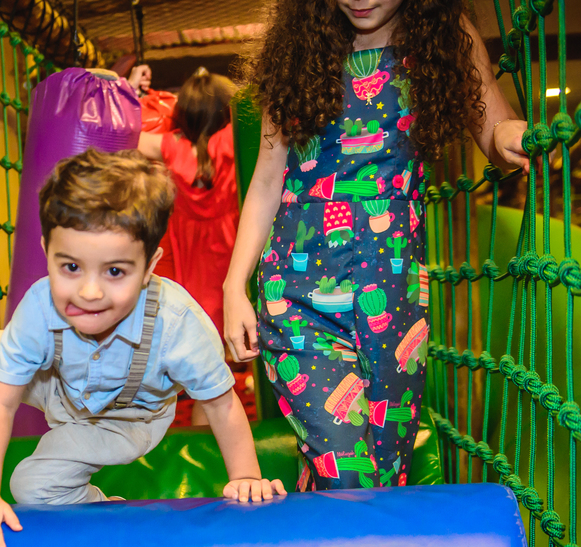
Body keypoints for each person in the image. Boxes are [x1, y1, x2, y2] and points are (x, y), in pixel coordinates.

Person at [0, 149, 286, 547]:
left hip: (127, 419)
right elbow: (0, 399)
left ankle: (102, 508)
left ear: (150, 266)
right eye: (70, 267)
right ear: (47, 250)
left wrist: (246, 477)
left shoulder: (176, 323)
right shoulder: (40, 305)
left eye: (115, 271)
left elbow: (220, 404)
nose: (89, 292)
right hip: (59, 386)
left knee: (30, 486)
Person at [222, 0, 529, 490]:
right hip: (297, 291)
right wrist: (234, 285)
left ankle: (318, 533)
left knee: (385, 473)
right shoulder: (298, 48)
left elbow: (493, 127)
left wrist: (508, 133)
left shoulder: (444, 35)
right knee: (347, 470)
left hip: (395, 293)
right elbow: (266, 180)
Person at [138, 68, 241, 425]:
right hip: (232, 260)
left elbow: (126, 134)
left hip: (192, 274)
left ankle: (199, 433)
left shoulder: (169, 148)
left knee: (208, 368)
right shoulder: (231, 142)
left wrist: (132, 92)